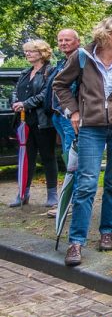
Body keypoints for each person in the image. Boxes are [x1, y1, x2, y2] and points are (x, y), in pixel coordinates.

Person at [53, 15, 112, 267]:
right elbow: (59, 85)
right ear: (105, 35)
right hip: (91, 127)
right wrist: (74, 111)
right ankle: (76, 241)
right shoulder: (82, 57)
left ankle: (107, 232)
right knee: (86, 184)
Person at [10, 40, 58, 207]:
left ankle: (52, 195)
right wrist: (16, 102)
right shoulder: (25, 72)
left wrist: (26, 103)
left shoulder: (50, 71)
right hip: (24, 122)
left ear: (42, 52)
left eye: (31, 51)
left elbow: (46, 94)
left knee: (48, 157)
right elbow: (16, 91)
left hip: (43, 122)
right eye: (26, 51)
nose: (27, 54)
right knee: (26, 158)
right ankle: (23, 192)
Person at [45, 28, 81, 218]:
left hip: (71, 117)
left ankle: (72, 203)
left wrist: (74, 112)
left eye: (67, 40)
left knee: (73, 161)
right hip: (59, 116)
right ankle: (69, 200)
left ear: (77, 41)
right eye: (60, 40)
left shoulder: (80, 60)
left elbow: (73, 89)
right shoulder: (62, 62)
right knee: (68, 159)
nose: (63, 43)